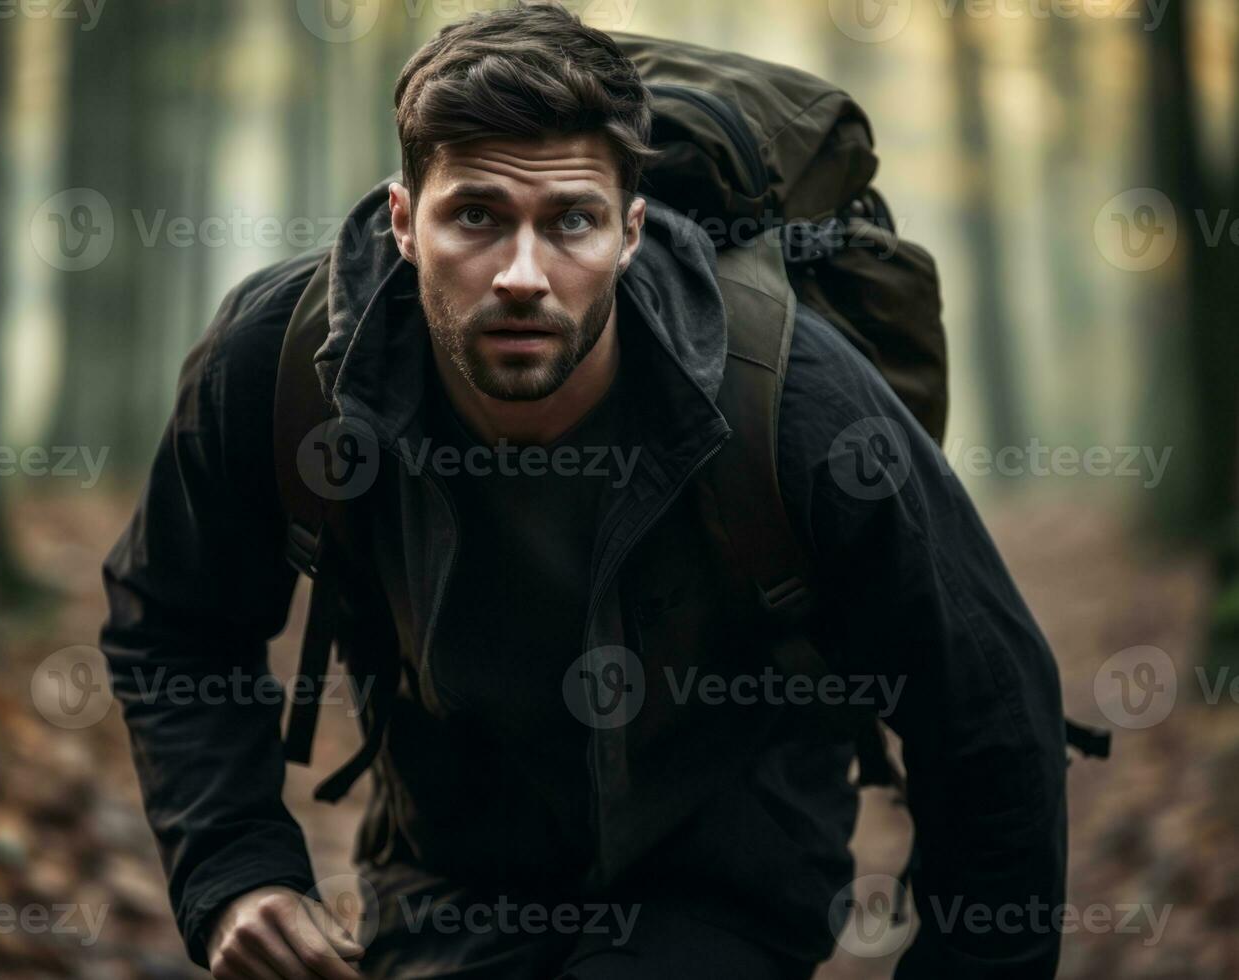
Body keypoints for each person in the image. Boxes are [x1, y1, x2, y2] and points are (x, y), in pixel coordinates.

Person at [100, 3, 1068, 977]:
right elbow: (175, 619)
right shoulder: (281, 362)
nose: (523, 275)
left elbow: (987, 705)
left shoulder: (791, 397)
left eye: (570, 221)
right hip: (445, 880)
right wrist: (234, 866)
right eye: (475, 214)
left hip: (722, 880)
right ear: (401, 220)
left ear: (630, 231)